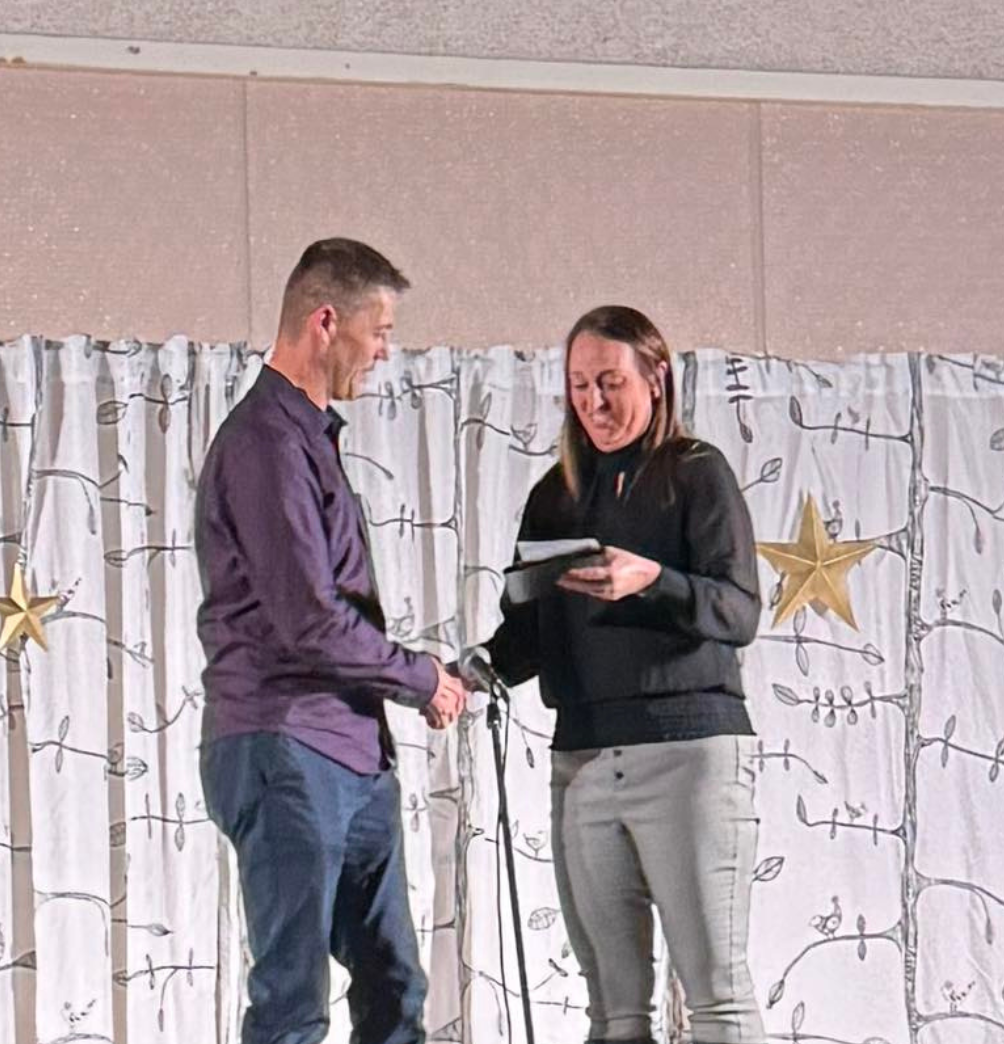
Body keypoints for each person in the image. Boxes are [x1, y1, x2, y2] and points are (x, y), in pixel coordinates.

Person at [195, 238, 466, 1044]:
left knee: (394, 988)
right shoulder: (266, 442)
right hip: (284, 746)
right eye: (378, 331)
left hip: (350, 753)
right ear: (325, 322)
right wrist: (421, 679)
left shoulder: (308, 437)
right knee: (293, 1000)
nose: (384, 351)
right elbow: (309, 621)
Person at [482, 305, 766, 1044]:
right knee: (613, 1009)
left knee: (715, 995)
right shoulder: (554, 496)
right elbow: (529, 632)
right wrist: (474, 670)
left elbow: (738, 611)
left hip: (687, 754)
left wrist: (654, 580)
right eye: (579, 386)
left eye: (611, 382)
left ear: (657, 377)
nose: (594, 403)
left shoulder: (696, 473)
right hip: (581, 761)